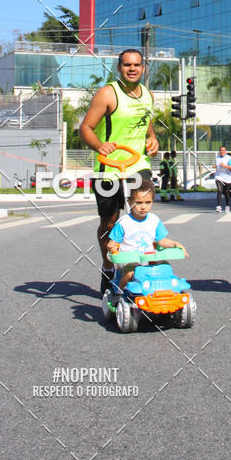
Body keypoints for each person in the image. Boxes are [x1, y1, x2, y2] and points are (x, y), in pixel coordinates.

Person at [80, 48, 159, 293]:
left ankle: (143, 267)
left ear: (143, 68)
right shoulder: (108, 94)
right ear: (119, 68)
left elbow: (146, 125)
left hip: (138, 164)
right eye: (127, 65)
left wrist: (153, 139)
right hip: (109, 168)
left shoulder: (148, 95)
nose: (132, 69)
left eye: (136, 65)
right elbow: (86, 128)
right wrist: (99, 145)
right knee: (110, 222)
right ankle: (109, 266)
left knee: (142, 212)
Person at [106, 180, 187, 296]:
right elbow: (113, 243)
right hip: (129, 259)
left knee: (165, 267)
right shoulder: (124, 223)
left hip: (149, 257)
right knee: (130, 273)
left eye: (147, 202)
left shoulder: (154, 220)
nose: (143, 207)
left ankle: (165, 293)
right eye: (138, 203)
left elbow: (161, 241)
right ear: (130, 202)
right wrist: (111, 246)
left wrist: (175, 244)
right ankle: (119, 294)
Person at [214, 146, 231, 213]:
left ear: (225, 151)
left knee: (226, 193)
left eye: (223, 150)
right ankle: (219, 206)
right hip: (219, 177)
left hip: (227, 178)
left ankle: (227, 206)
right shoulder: (217, 157)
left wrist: (225, 166)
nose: (221, 152)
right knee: (219, 190)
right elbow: (216, 165)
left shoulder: (228, 158)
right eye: (220, 150)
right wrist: (214, 166)